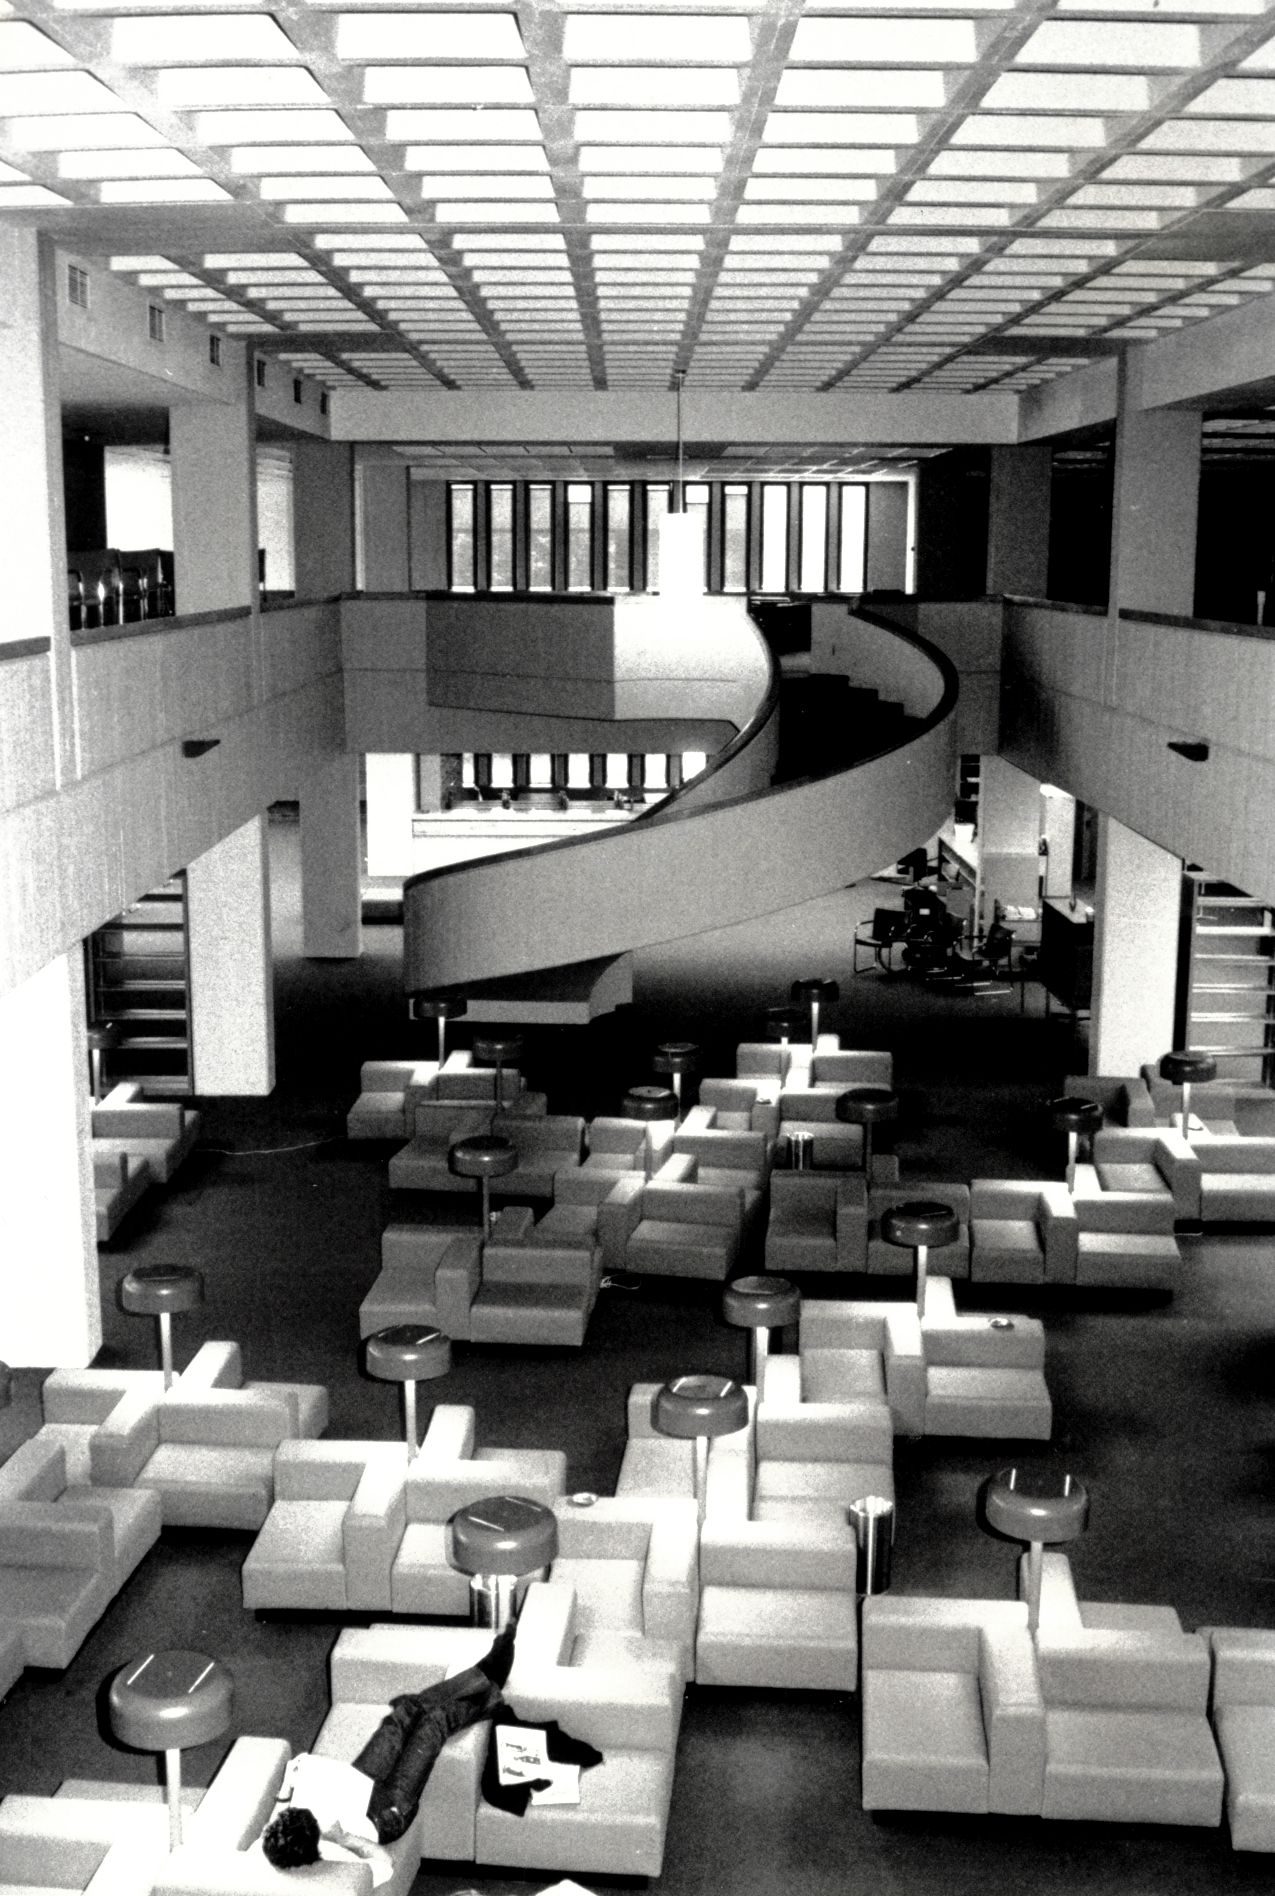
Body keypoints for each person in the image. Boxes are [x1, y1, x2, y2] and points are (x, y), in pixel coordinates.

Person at [258, 1623, 516, 1878]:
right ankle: (489, 1690)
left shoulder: (278, 1834)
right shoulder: (330, 1854)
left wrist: (289, 1783)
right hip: (387, 1814)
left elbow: (282, 1801)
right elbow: (385, 1864)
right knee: (433, 1724)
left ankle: (483, 1676)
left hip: (357, 1785)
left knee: (403, 1714)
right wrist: (344, 1838)